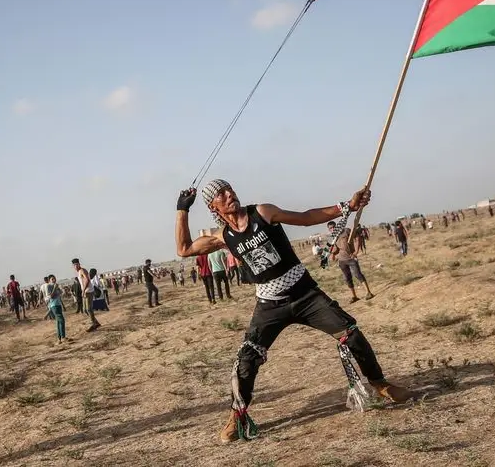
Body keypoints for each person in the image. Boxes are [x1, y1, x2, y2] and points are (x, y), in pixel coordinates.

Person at [174, 180, 410, 443]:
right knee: (247, 359)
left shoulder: (262, 213)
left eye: (229, 189)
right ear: (213, 206)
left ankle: (380, 384)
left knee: (351, 333)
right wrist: (182, 209)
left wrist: (347, 206)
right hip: (269, 306)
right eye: (221, 193)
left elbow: (306, 218)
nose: (229, 194)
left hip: (305, 295)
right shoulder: (223, 237)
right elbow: (184, 249)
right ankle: (237, 415)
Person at [328, 220, 374, 303]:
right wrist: (333, 255)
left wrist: (356, 252)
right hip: (341, 260)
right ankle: (354, 296)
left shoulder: (346, 231)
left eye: (334, 227)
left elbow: (357, 238)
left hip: (351, 258)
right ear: (329, 230)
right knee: (347, 278)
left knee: (358, 274)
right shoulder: (332, 238)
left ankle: (368, 292)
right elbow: (335, 249)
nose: (333, 229)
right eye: (330, 228)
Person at [73, 259, 101, 332]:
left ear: (79, 264)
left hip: (88, 291)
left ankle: (93, 324)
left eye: (76, 264)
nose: (76, 266)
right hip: (85, 292)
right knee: (85, 309)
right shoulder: (79, 272)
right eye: (74, 265)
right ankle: (96, 322)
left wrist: (83, 290)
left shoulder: (82, 270)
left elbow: (87, 280)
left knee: (89, 309)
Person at [45, 274, 68, 344]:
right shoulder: (48, 286)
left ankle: (59, 339)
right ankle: (63, 337)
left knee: (58, 322)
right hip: (54, 305)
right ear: (49, 280)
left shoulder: (56, 286)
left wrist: (61, 289)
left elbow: (60, 294)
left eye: (54, 278)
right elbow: (51, 296)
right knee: (62, 320)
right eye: (52, 279)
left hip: (58, 304)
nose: (54, 280)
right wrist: (55, 288)